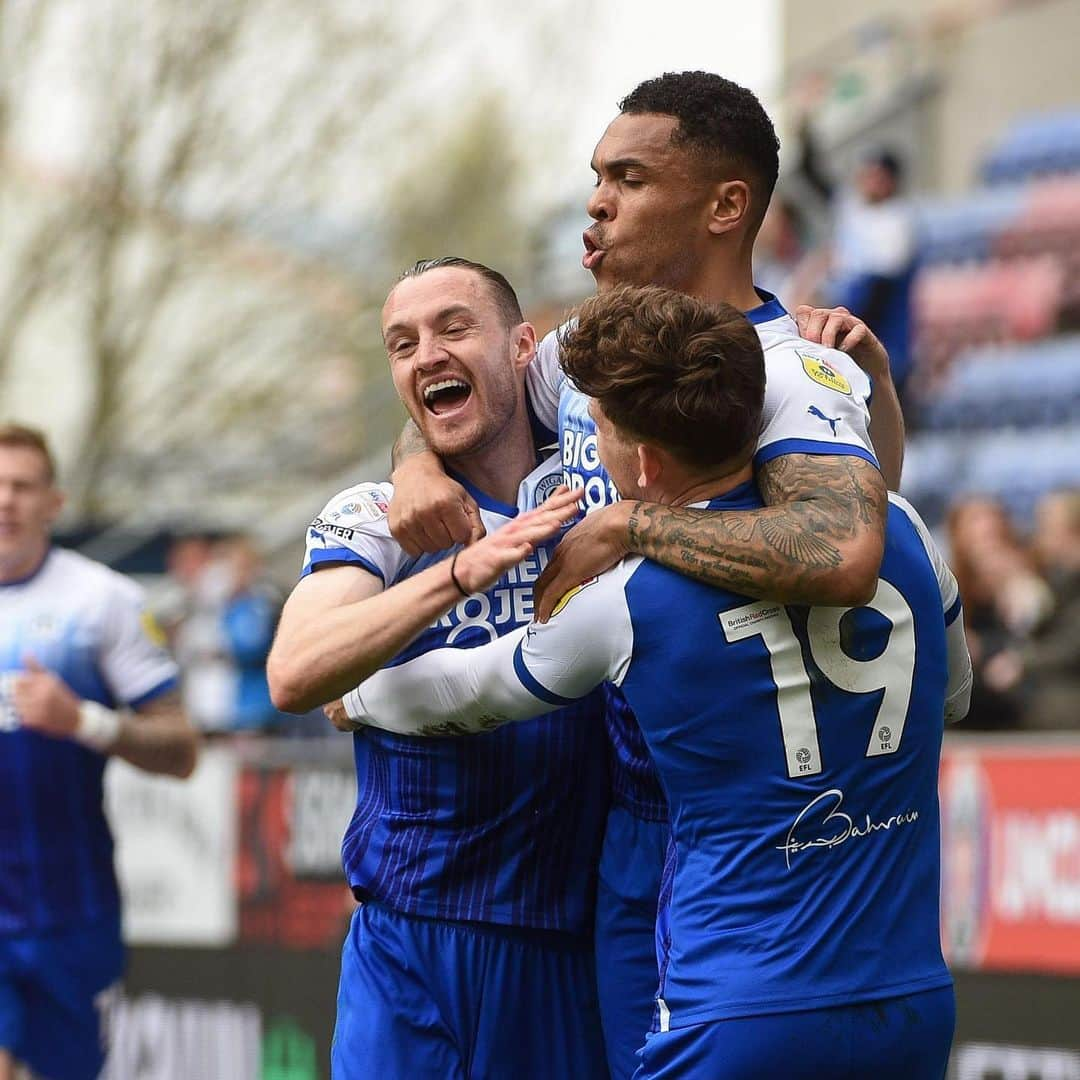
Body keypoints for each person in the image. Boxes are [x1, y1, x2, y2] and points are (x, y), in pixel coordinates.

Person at [387, 70, 905, 1079]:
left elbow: (846, 549)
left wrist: (630, 522)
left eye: (628, 176)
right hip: (620, 824)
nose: (596, 201)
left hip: (754, 827)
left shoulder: (793, 369)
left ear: (725, 205)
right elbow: (453, 410)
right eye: (595, 176)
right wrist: (413, 463)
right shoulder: (581, 347)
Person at [338, 285, 973, 1080]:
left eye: (597, 430)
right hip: (910, 998)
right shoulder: (902, 530)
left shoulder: (627, 603)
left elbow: (468, 691)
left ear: (642, 460)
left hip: (734, 1009)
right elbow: (954, 695)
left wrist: (358, 694)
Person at [266, 258, 610, 1079]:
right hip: (411, 935)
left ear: (524, 345)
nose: (427, 355)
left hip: (571, 936)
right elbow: (295, 673)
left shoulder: (600, 480)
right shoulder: (375, 516)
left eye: (455, 328)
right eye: (403, 343)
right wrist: (456, 575)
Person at [0, 423, 198, 1080]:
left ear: (53, 502)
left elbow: (181, 748)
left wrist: (80, 718)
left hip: (70, 910)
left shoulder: (102, 601)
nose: (5, 501)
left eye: (22, 486)